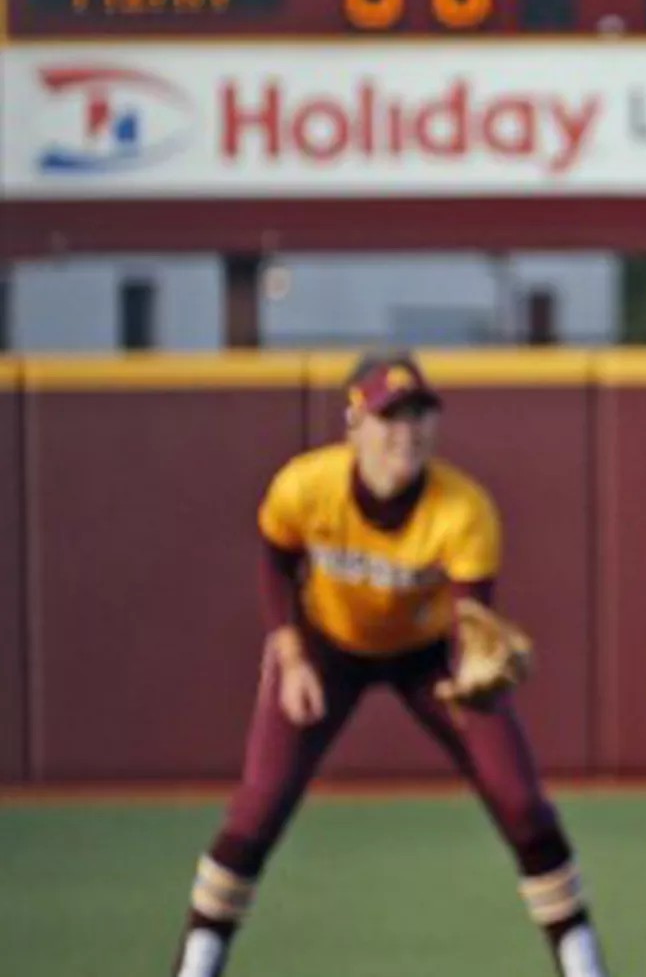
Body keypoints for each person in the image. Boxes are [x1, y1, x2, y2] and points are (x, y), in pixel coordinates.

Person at [168, 352, 609, 977]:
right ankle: (195, 966)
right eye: (389, 418)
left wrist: (473, 671)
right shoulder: (306, 485)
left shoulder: (463, 509)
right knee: (259, 805)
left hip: (430, 656)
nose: (407, 433)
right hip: (327, 646)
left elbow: (472, 620)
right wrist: (289, 652)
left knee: (519, 800)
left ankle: (584, 964)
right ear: (353, 425)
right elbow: (275, 558)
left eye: (420, 416)